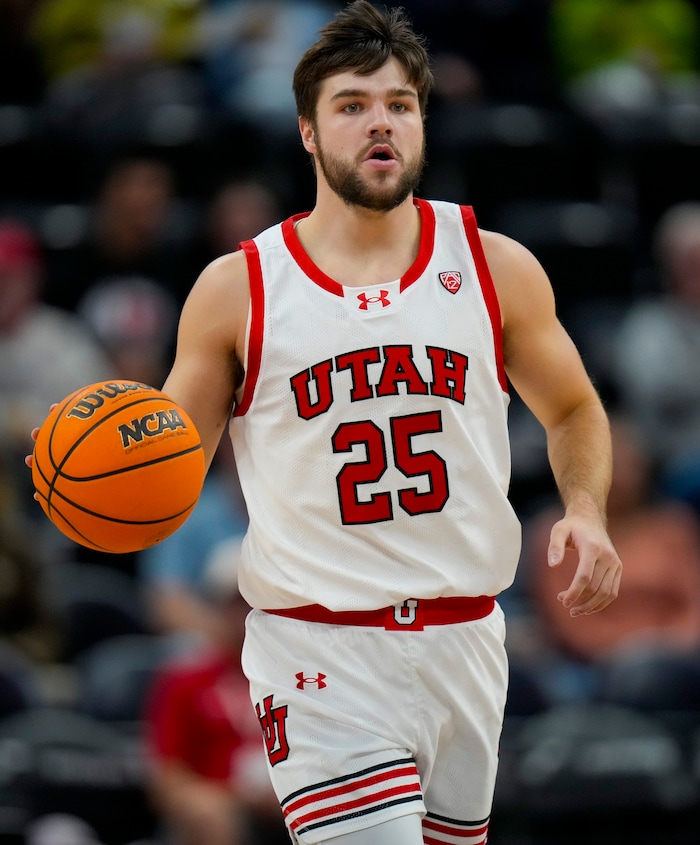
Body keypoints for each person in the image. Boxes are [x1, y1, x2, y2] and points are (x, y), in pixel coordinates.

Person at [29, 2, 621, 843]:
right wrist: (96, 476)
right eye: (352, 105)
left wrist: (588, 510)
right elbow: (168, 460)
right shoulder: (240, 288)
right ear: (308, 130)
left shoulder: (496, 267)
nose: (379, 122)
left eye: (399, 104)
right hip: (319, 649)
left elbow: (572, 408)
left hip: (466, 639)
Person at [518, 413, 700, 706]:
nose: (617, 475)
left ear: (644, 467)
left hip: (676, 657)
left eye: (626, 463)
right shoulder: (556, 532)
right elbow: (567, 620)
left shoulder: (673, 527)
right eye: (605, 463)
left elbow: (694, 605)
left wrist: (665, 649)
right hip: (585, 666)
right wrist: (632, 654)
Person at [144, 537, 287, 845]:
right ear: (218, 609)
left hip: (293, 801)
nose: (248, 614)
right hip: (223, 804)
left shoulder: (298, 678)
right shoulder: (185, 681)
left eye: (257, 601)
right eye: (237, 604)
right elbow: (167, 775)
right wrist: (225, 797)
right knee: (209, 814)